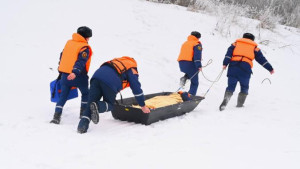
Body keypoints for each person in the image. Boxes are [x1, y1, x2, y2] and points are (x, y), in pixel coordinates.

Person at [77, 56, 150, 133]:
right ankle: (97, 106)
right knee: (110, 104)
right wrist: (143, 106)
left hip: (96, 77)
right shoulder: (132, 68)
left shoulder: (117, 61)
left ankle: (82, 127)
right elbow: (136, 88)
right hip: (110, 82)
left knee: (90, 103)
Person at [219, 33, 274, 111]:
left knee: (231, 86)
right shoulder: (255, 48)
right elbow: (262, 60)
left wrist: (225, 64)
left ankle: (225, 102)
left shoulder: (235, 44)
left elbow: (228, 55)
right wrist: (270, 68)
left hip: (233, 67)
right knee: (244, 87)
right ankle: (240, 105)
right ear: (252, 40)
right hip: (245, 69)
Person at [50, 26, 93, 124]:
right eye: (89, 37)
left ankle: (56, 116)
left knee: (63, 96)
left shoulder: (69, 43)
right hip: (79, 76)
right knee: (86, 94)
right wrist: (75, 72)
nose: (89, 40)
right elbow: (81, 61)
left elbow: (62, 55)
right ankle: (83, 114)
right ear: (86, 37)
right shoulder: (84, 47)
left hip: (65, 76)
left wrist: (61, 69)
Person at [177, 31, 203, 96]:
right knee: (195, 82)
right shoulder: (197, 43)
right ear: (197, 37)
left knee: (191, 72)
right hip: (190, 63)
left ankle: (184, 78)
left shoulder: (185, 43)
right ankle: (191, 96)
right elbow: (197, 55)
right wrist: (199, 65)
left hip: (181, 63)